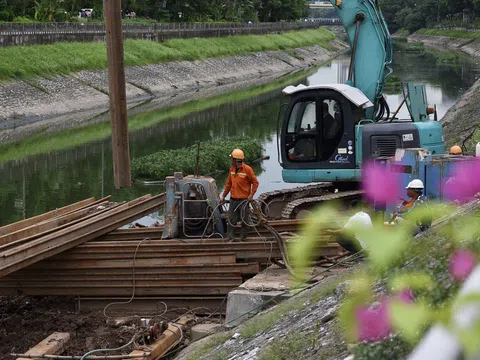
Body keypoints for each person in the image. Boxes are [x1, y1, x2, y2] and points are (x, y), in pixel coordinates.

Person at [220, 148, 259, 242]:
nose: (231, 161)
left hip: (244, 200)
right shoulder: (232, 170)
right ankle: (230, 237)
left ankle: (243, 238)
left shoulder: (247, 170)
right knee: (231, 220)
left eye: (232, 159)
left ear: (236, 160)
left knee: (245, 221)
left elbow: (255, 183)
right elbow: (228, 184)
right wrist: (223, 196)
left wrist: (251, 195)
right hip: (233, 200)